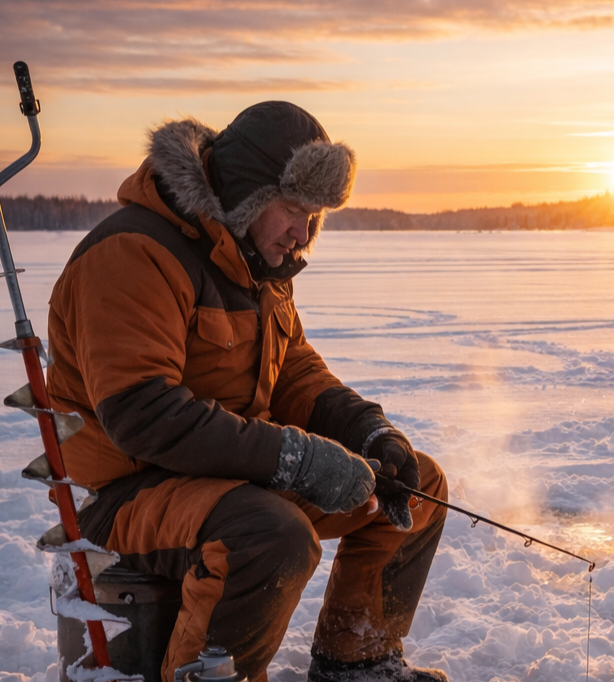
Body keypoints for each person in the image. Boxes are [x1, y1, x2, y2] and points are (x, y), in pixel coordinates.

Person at [46, 102, 450, 682]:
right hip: (128, 495)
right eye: (293, 210)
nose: (303, 232)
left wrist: (369, 432)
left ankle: (358, 662)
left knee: (415, 486)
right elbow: (142, 414)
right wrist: (294, 459)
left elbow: (295, 375)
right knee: (270, 534)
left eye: (314, 216)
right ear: (249, 193)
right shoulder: (133, 254)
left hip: (230, 479)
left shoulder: (257, 265)